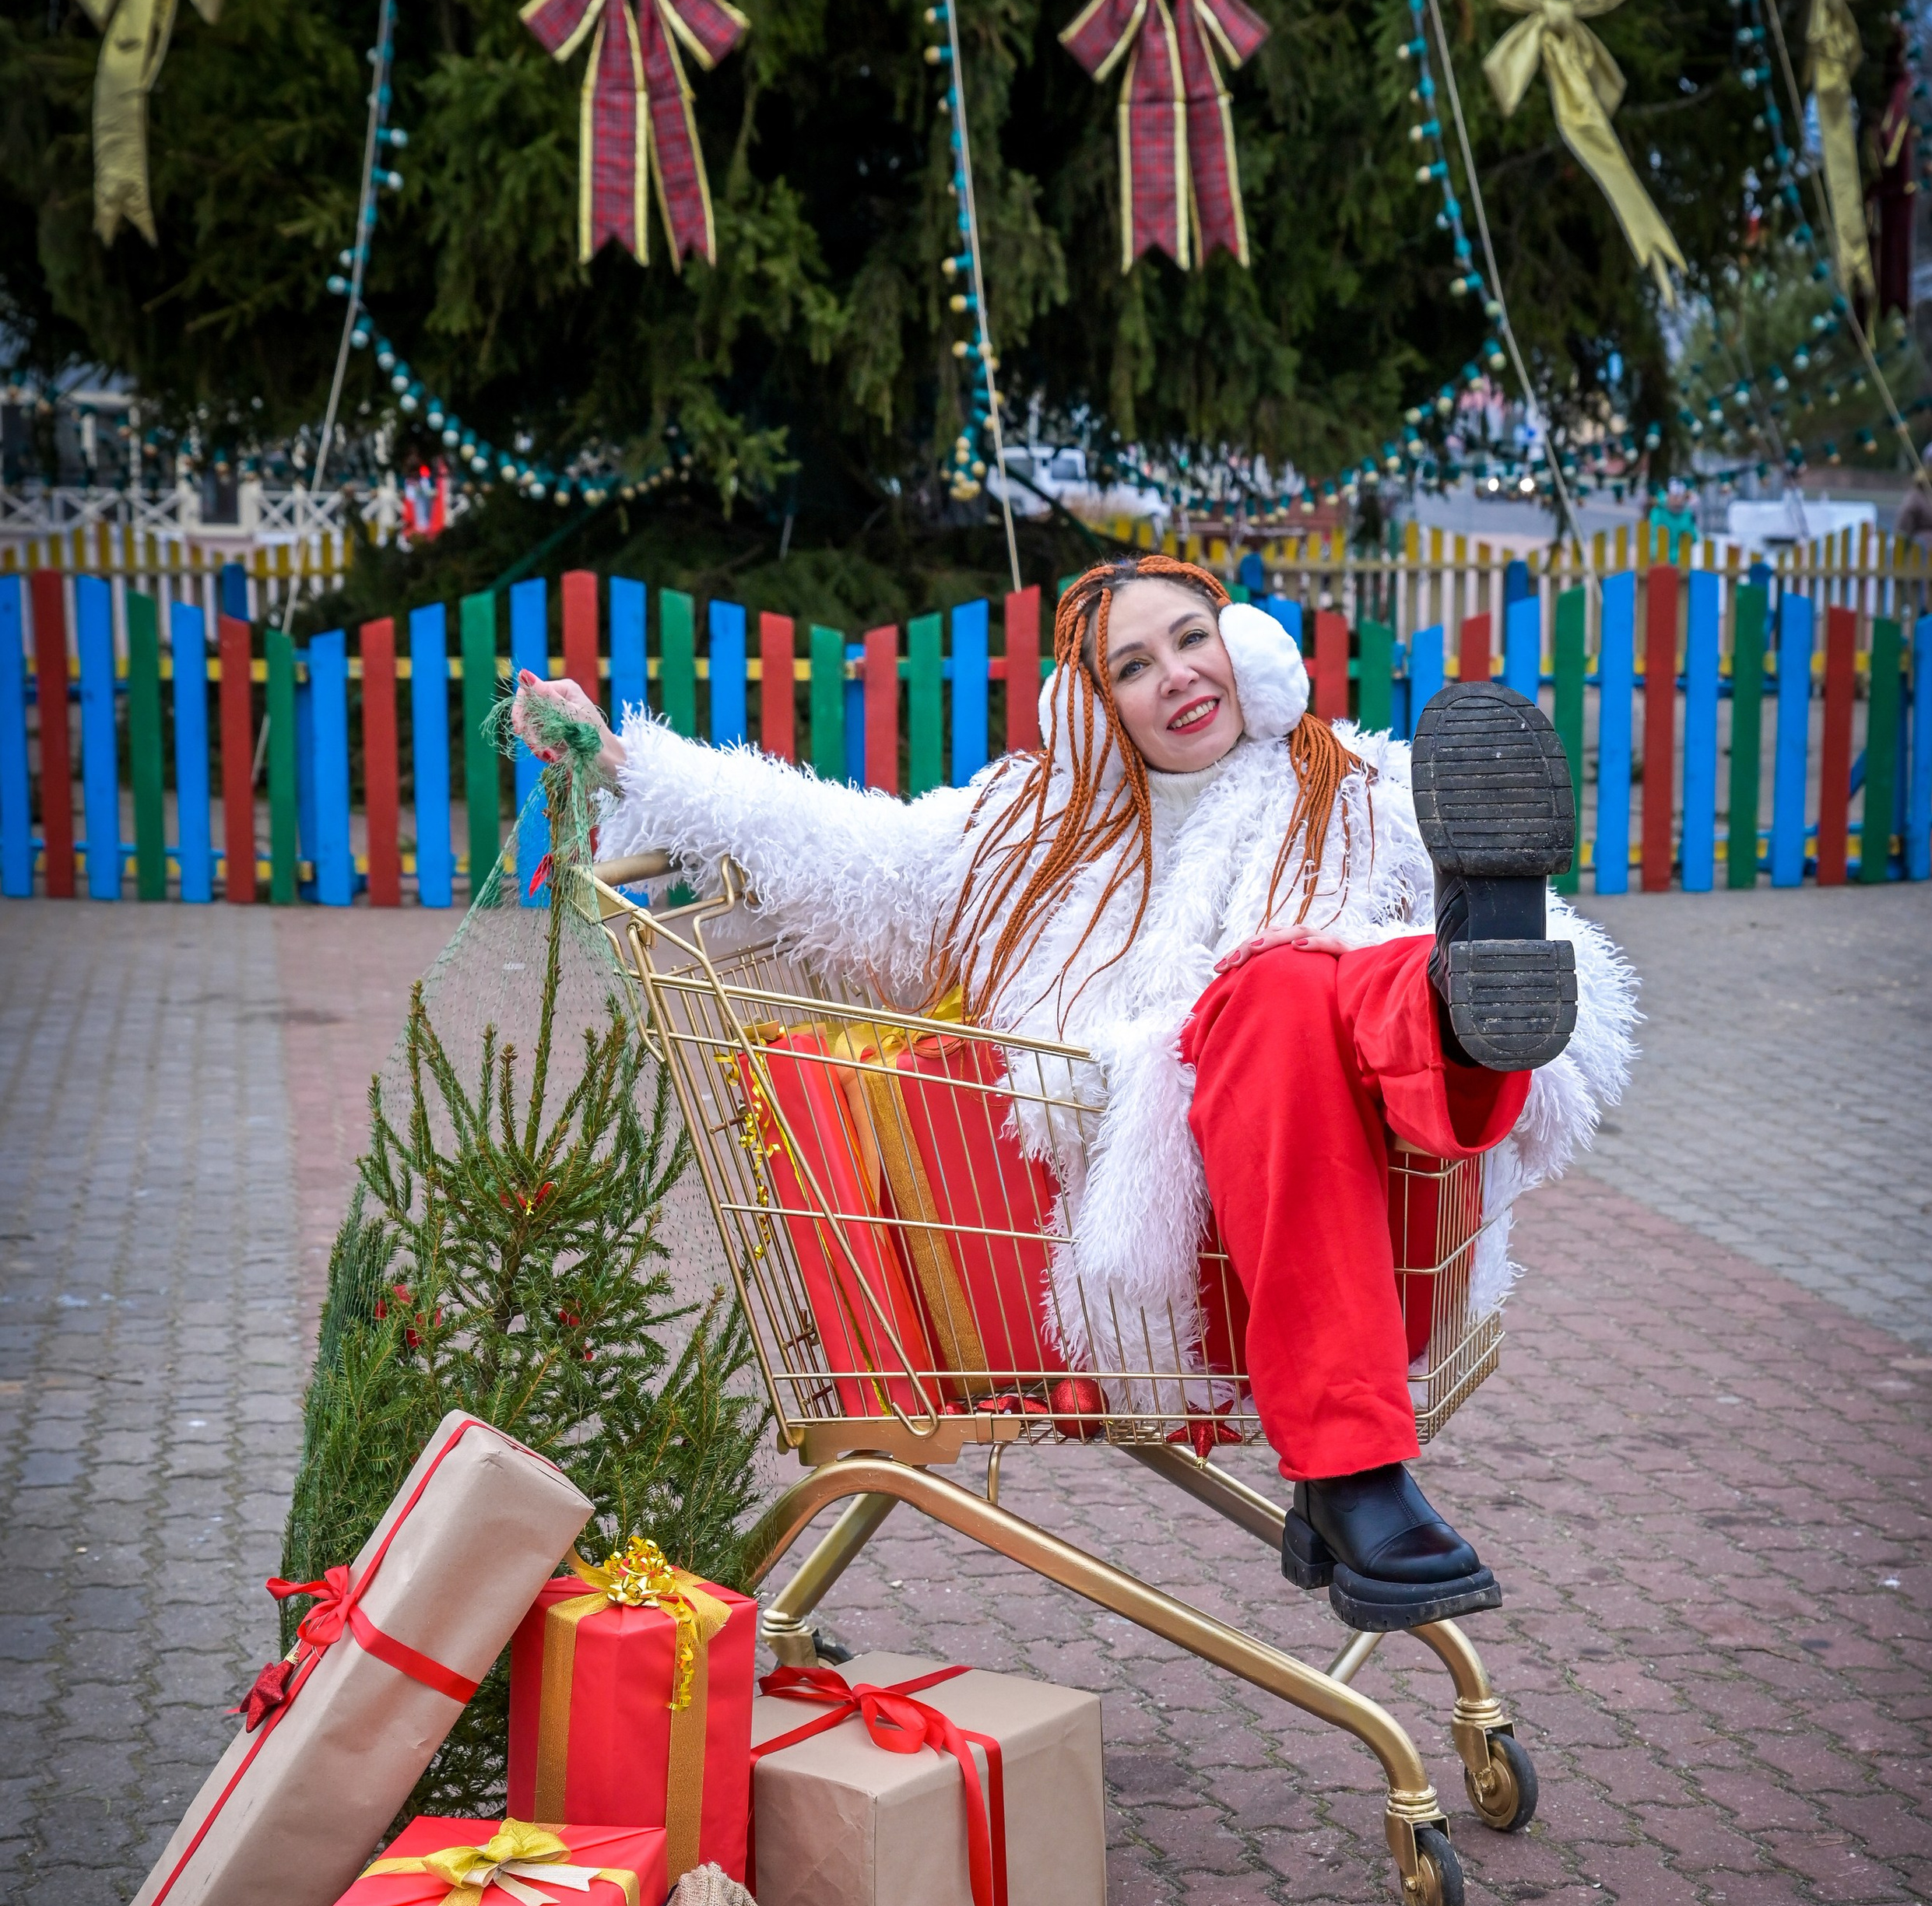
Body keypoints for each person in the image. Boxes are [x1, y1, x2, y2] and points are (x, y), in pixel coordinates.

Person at [515, 556, 1635, 1632]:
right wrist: (627, 764)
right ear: (1095, 707)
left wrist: (1466, 991)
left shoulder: (1361, 790)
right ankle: (1350, 1462)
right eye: (1135, 666)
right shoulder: (1032, 829)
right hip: (1178, 1235)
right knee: (1275, 991)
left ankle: (1462, 991)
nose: (1178, 674)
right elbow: (852, 850)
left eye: (1193, 639)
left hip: (1374, 1179)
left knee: (1372, 983)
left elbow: (1552, 1024)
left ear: (1249, 654)